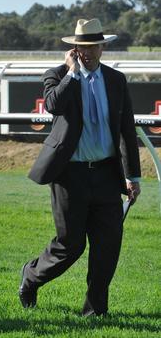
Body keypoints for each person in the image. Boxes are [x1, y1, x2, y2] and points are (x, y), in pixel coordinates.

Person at [20, 18, 141, 317]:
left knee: (108, 246)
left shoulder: (116, 80)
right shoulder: (58, 75)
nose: (86, 52)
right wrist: (71, 75)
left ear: (102, 47)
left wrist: (132, 176)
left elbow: (126, 130)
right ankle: (31, 276)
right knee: (70, 246)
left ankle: (95, 311)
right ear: (74, 49)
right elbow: (53, 105)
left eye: (92, 46)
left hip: (106, 175)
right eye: (80, 47)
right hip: (69, 176)